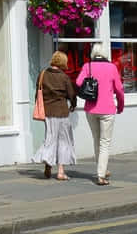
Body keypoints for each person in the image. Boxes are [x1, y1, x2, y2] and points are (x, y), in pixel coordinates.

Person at [75, 44, 125, 186]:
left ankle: (101, 169)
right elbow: (120, 89)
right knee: (105, 143)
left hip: (91, 109)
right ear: (105, 54)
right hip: (107, 109)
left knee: (97, 140)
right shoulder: (112, 67)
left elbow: (78, 82)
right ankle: (101, 175)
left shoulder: (88, 66)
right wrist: (120, 106)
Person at [32, 51, 77, 182]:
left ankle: (48, 165)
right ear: (63, 62)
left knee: (50, 138)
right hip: (62, 112)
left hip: (47, 112)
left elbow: (37, 93)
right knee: (63, 141)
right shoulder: (64, 77)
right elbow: (71, 94)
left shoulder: (42, 74)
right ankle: (61, 172)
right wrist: (73, 104)